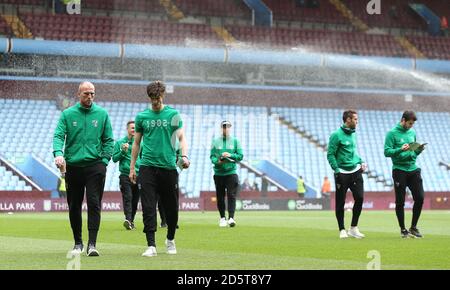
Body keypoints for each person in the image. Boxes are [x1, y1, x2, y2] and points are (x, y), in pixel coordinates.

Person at [129, 80, 189, 257]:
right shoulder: (142, 117)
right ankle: (151, 245)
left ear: (162, 96)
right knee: (148, 207)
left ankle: (170, 239)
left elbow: (182, 138)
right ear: (149, 97)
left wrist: (184, 156)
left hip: (169, 167)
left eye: (158, 98)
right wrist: (132, 167)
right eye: (152, 98)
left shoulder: (173, 115)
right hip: (147, 167)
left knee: (172, 208)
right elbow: (136, 143)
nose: (155, 101)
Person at [53, 81, 114, 256]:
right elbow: (58, 135)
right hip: (73, 166)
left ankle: (92, 245)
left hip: (95, 166)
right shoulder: (68, 114)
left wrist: (104, 161)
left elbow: (109, 140)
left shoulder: (102, 114)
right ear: (78, 94)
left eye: (92, 93)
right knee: (74, 205)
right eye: (86, 93)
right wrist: (58, 153)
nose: (90, 96)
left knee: (94, 204)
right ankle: (78, 243)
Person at [384, 111, 425, 238]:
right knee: (400, 201)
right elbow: (387, 152)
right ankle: (403, 229)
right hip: (399, 170)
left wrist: (418, 150)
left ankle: (413, 227)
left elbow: (413, 150)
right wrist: (400, 149)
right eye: (409, 123)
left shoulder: (412, 132)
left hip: (413, 169)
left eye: (412, 124)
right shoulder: (392, 133)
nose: (411, 126)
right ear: (403, 120)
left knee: (420, 198)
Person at [327, 109, 367, 239]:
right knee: (340, 202)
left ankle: (353, 228)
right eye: (355, 119)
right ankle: (342, 229)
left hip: (355, 171)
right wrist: (337, 171)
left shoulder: (353, 134)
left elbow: (353, 152)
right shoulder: (336, 135)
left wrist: (361, 161)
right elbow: (330, 154)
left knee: (360, 198)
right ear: (348, 120)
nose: (357, 121)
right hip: (342, 173)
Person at [210, 120, 243, 228]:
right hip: (218, 173)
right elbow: (212, 157)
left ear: (230, 128)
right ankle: (222, 218)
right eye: (224, 127)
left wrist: (230, 155)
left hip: (231, 172)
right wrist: (218, 161)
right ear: (221, 128)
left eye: (228, 127)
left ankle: (231, 218)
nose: (226, 128)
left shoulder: (235, 141)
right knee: (220, 197)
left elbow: (240, 156)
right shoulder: (215, 141)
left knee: (231, 195)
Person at [112, 120, 141, 230]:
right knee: (128, 197)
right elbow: (114, 159)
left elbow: (144, 157)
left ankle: (131, 220)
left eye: (135, 128)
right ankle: (128, 219)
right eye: (132, 128)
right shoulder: (119, 143)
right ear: (127, 129)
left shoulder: (140, 143)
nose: (134, 130)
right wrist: (123, 151)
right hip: (125, 174)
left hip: (138, 174)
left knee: (135, 199)